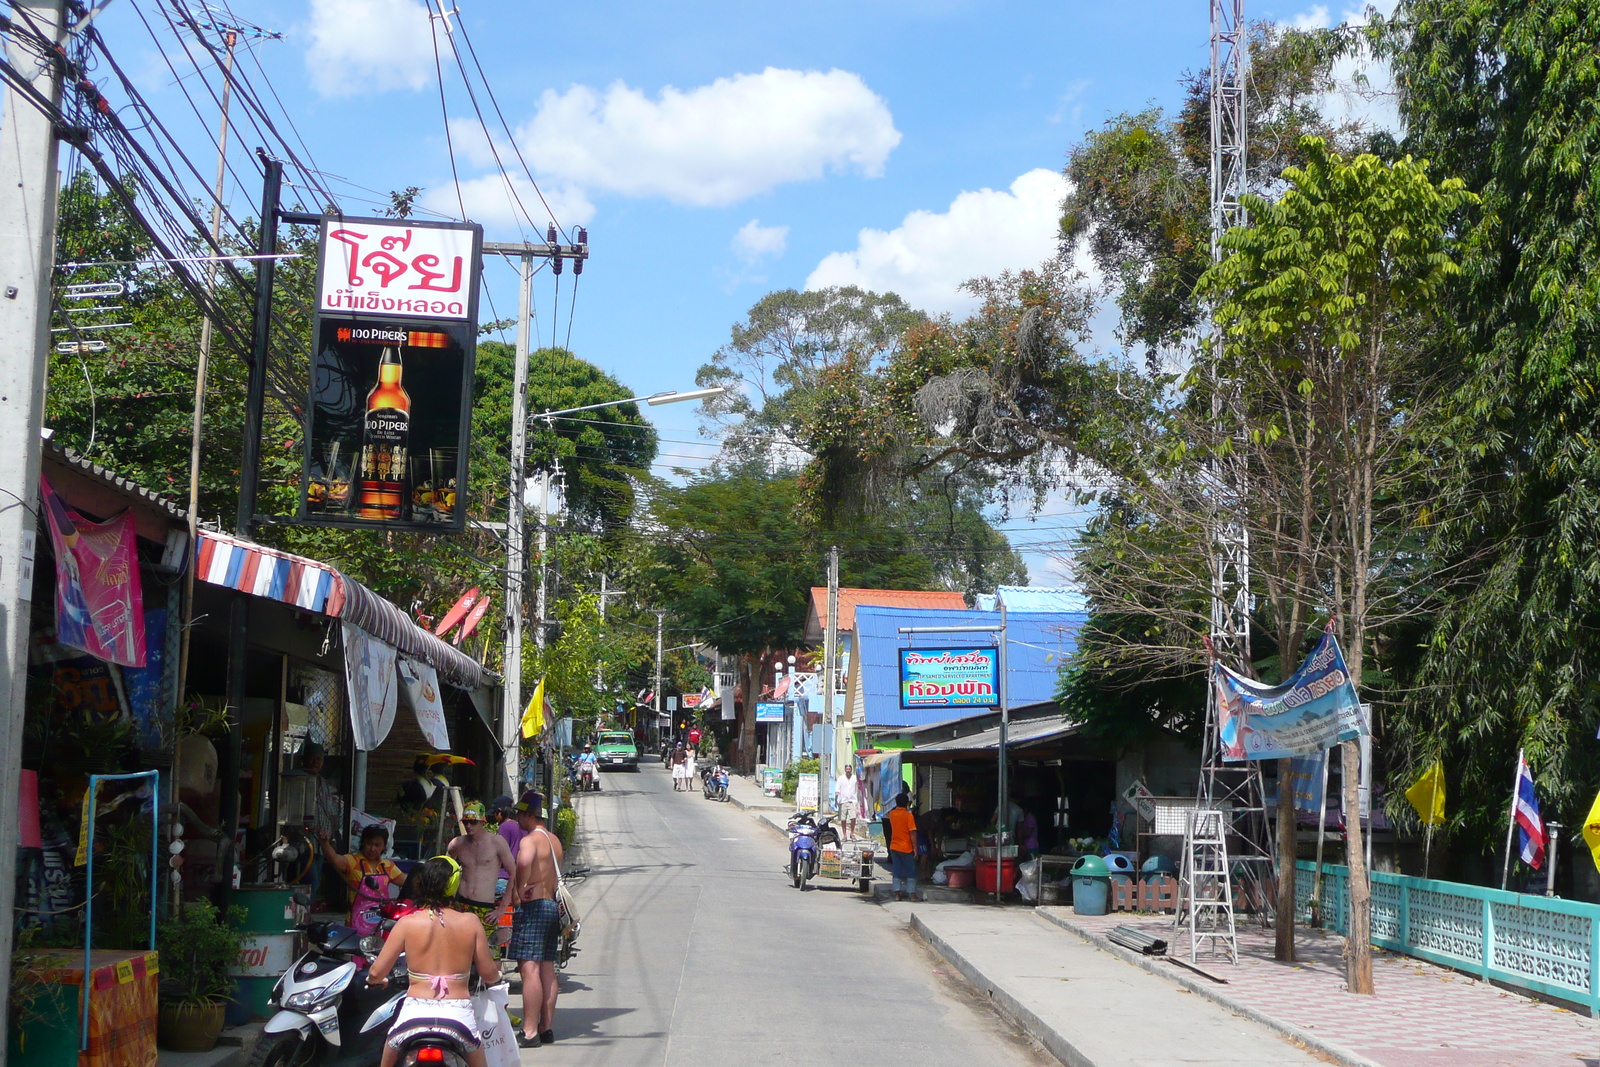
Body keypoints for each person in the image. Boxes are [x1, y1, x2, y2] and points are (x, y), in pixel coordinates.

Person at [366, 855, 498, 1067]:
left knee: (390, 1048)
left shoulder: (407, 923)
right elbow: (489, 973)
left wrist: (376, 981)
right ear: (454, 884)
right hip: (458, 1018)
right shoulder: (471, 922)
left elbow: (375, 973)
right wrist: (497, 976)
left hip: (414, 1017)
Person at [509, 793, 564, 1048]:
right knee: (546, 968)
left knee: (529, 969)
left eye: (520, 814)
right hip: (551, 906)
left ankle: (530, 1031)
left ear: (530, 816)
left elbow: (523, 862)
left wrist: (519, 889)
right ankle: (546, 1027)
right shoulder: (554, 841)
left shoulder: (530, 840)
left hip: (534, 907)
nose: (517, 818)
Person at [445, 801, 516, 949]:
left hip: (485, 908)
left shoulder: (496, 842)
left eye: (473, 822)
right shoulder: (457, 843)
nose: (469, 826)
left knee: (490, 955)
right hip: (460, 905)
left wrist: (501, 909)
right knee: (458, 953)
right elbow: (444, 871)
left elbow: (514, 873)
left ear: (482, 822)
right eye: (466, 822)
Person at [319, 824, 406, 936]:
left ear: (384, 846)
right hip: (355, 923)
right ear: (363, 843)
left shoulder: (387, 866)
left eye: (377, 845)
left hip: (381, 924)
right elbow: (335, 859)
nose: (372, 848)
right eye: (369, 843)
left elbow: (407, 882)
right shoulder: (352, 861)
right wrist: (325, 843)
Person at [886, 792, 920, 902]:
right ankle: (912, 895)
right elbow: (912, 833)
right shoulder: (909, 816)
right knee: (911, 871)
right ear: (907, 803)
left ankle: (897, 894)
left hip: (894, 846)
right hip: (906, 847)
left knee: (897, 870)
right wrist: (915, 847)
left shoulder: (892, 814)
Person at [834, 764, 861, 840]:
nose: (848, 770)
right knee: (843, 819)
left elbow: (859, 788)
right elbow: (837, 790)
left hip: (852, 800)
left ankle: (852, 834)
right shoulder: (841, 778)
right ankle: (845, 835)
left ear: (851, 770)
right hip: (843, 801)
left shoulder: (855, 778)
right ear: (845, 770)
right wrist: (836, 800)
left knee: (853, 818)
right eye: (847, 769)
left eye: (849, 769)